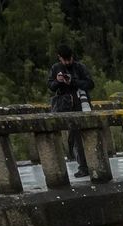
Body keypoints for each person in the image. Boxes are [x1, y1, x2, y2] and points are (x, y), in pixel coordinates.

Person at [48, 45, 95, 178]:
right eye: (65, 60)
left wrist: (73, 82)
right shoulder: (55, 68)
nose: (68, 62)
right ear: (60, 58)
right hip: (65, 106)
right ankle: (82, 165)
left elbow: (90, 84)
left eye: (69, 59)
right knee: (73, 139)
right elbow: (51, 86)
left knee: (80, 137)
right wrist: (58, 81)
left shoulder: (80, 67)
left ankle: (84, 166)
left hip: (81, 105)